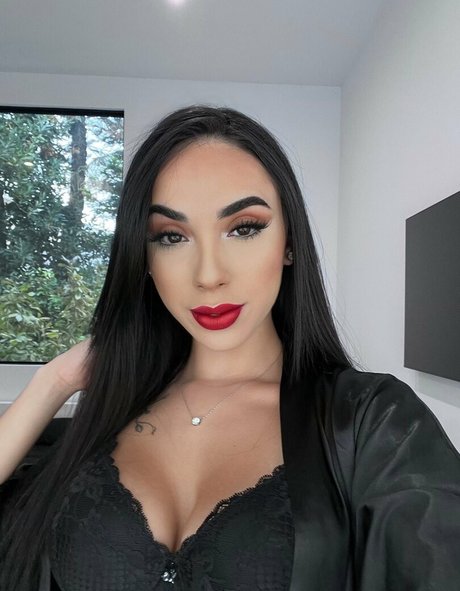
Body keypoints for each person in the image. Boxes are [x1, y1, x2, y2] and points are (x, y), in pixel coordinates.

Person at [1, 105, 460, 591]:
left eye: (244, 228)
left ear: (289, 243)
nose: (208, 274)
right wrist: (53, 382)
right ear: (145, 258)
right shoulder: (110, 411)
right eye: (171, 236)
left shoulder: (372, 422)